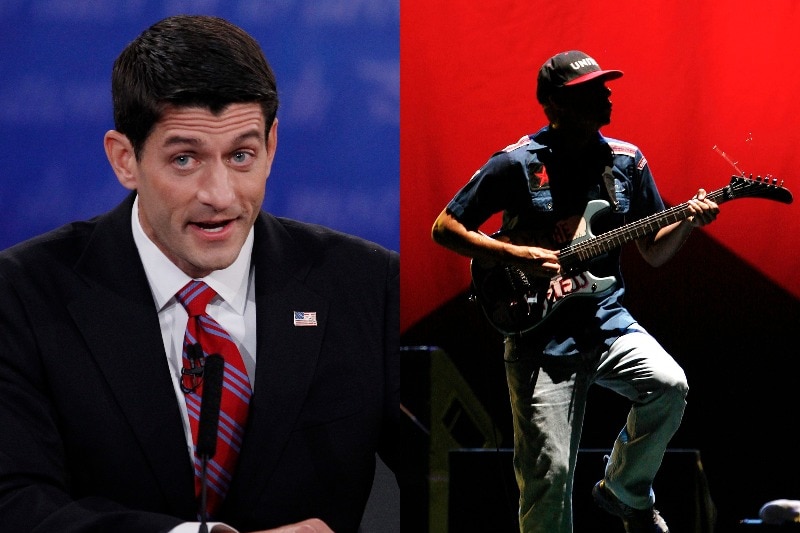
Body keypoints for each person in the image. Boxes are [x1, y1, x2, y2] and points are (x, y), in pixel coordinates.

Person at [0, 15, 399, 533]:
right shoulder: (24, 296)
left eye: (241, 155)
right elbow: (14, 501)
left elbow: (452, 478)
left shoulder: (369, 287)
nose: (220, 194)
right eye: (185, 159)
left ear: (271, 146)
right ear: (125, 159)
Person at [431, 50, 719, 533]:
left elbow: (653, 250)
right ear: (557, 104)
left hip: (606, 323)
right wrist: (515, 256)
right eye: (592, 89)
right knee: (550, 479)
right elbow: (445, 227)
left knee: (668, 385)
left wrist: (689, 220)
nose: (607, 95)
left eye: (605, 86)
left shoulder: (626, 162)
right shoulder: (518, 163)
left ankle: (624, 491)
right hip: (538, 339)